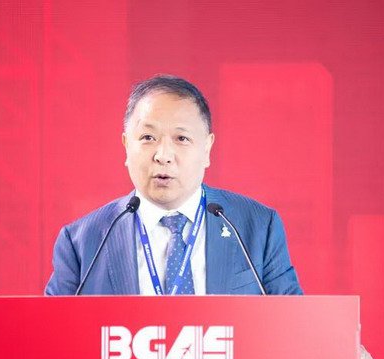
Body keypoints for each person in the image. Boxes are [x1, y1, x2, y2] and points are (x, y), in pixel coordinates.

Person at [45, 74, 302, 296]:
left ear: (207, 148)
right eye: (148, 137)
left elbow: (292, 326)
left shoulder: (257, 227)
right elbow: (51, 331)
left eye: (181, 138)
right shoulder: (82, 242)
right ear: (126, 146)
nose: (163, 155)